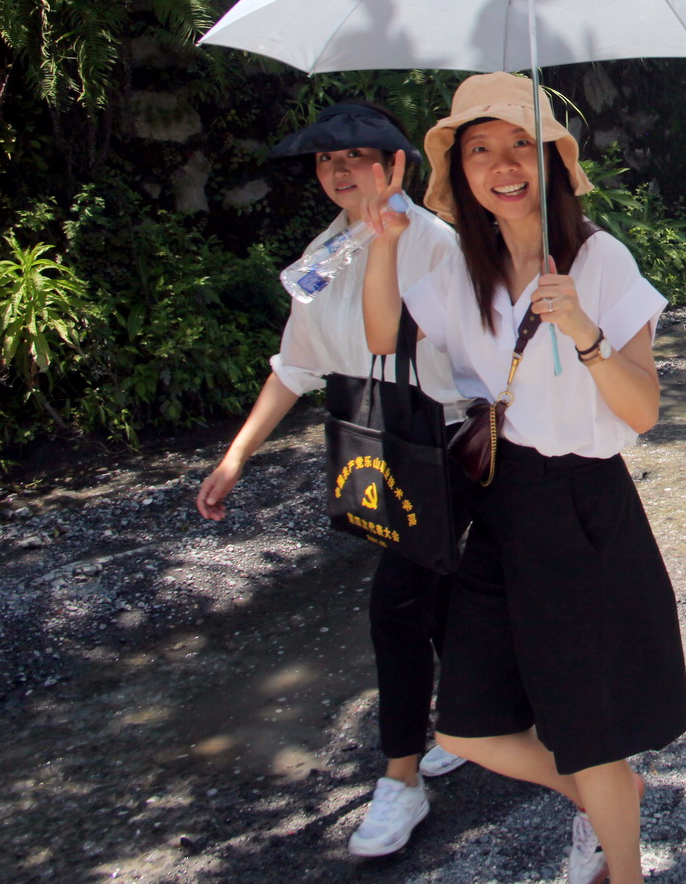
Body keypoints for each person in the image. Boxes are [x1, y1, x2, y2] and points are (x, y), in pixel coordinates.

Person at [359, 74, 683, 884]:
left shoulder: (599, 258)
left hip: (582, 505)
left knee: (589, 729)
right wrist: (385, 241)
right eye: (479, 149)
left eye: (518, 145)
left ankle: (623, 863)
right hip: (502, 501)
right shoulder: (467, 267)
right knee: (465, 726)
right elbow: (382, 335)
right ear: (459, 170)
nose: (502, 165)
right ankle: (607, 799)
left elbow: (642, 409)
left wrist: (584, 331)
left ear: (551, 161)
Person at [194, 102, 469, 859]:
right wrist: (236, 456)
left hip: (444, 440)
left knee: (396, 606)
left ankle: (401, 778)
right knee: (443, 594)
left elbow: (421, 344)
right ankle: (473, 720)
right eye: (326, 160)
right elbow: (296, 364)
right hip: (375, 440)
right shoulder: (325, 251)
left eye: (356, 157)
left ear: (396, 165)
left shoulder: (433, 243)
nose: (340, 171)